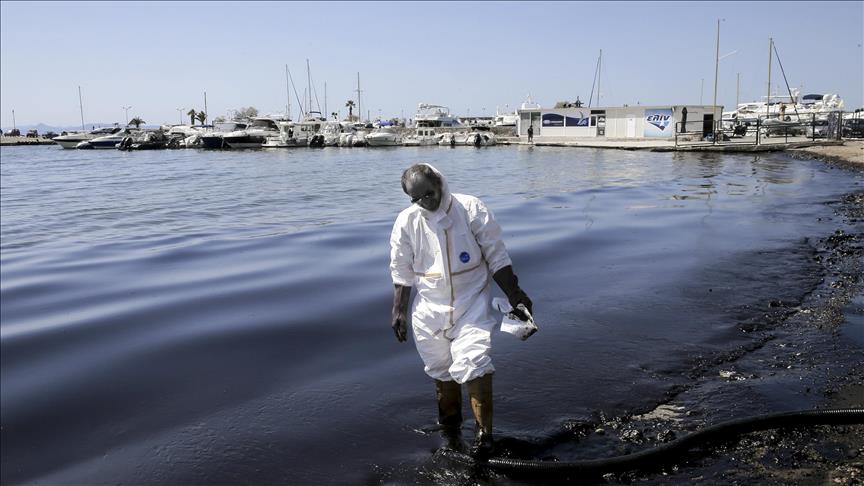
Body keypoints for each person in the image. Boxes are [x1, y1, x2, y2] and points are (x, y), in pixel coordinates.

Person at [389, 163, 533, 459]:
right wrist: (399, 311)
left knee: (475, 362)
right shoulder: (407, 221)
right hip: (429, 309)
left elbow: (496, 255)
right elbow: (401, 269)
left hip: (471, 303)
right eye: (417, 199)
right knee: (441, 371)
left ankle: (484, 438)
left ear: (439, 183)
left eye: (429, 194)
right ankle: (451, 433)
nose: (425, 202)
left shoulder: (470, 209)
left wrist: (515, 294)